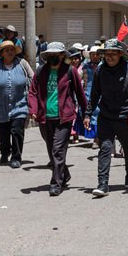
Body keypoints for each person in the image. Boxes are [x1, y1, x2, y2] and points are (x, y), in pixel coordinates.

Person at [84, 39, 128, 197]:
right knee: (105, 148)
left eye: (112, 54)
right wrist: (88, 114)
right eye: (106, 54)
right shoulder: (100, 70)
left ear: (120, 55)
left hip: (126, 117)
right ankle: (103, 183)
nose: (109, 57)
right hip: (106, 116)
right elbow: (95, 94)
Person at [28, 42, 87, 196]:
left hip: (64, 118)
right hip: (44, 118)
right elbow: (33, 92)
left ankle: (56, 183)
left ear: (62, 56)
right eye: (50, 55)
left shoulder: (70, 71)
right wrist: (33, 109)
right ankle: (64, 174)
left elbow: (80, 94)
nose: (53, 57)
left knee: (58, 150)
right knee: (52, 151)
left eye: (56, 55)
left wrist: (86, 114)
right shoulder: (41, 71)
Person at [0, 40, 34, 168]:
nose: (10, 52)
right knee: (3, 134)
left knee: (17, 131)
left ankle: (16, 157)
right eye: (7, 50)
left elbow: (33, 79)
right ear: (2, 53)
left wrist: (34, 100)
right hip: (0, 107)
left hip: (20, 105)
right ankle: (5, 152)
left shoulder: (22, 64)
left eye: (12, 50)